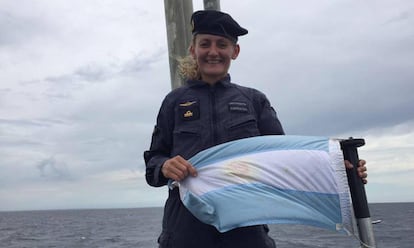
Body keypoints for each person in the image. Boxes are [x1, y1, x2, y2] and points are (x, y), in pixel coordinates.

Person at [144, 10, 368, 248]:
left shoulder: (254, 100)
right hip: (184, 232)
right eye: (205, 44)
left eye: (222, 45)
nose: (213, 52)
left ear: (235, 52)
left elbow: (287, 159)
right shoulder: (173, 102)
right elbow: (153, 164)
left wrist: (339, 171)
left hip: (247, 233)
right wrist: (165, 166)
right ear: (193, 49)